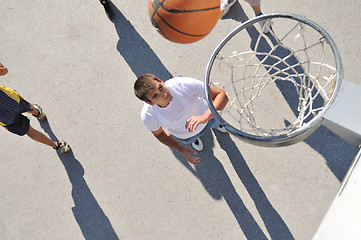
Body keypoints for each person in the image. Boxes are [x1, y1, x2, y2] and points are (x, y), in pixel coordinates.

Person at [134, 74, 229, 165]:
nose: (164, 94)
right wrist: (181, 148)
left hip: (209, 119)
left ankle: (217, 125)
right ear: (150, 102)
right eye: (156, 96)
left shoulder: (181, 84)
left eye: (160, 87)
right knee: (193, 137)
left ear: (161, 81)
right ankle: (195, 139)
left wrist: (206, 116)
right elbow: (160, 134)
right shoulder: (148, 115)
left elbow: (221, 95)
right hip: (187, 137)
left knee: (215, 121)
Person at [0, 62, 70, 153]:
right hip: (11, 100)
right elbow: (4, 70)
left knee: (29, 131)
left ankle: (58, 146)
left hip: (4, 118)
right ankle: (38, 113)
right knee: (27, 106)